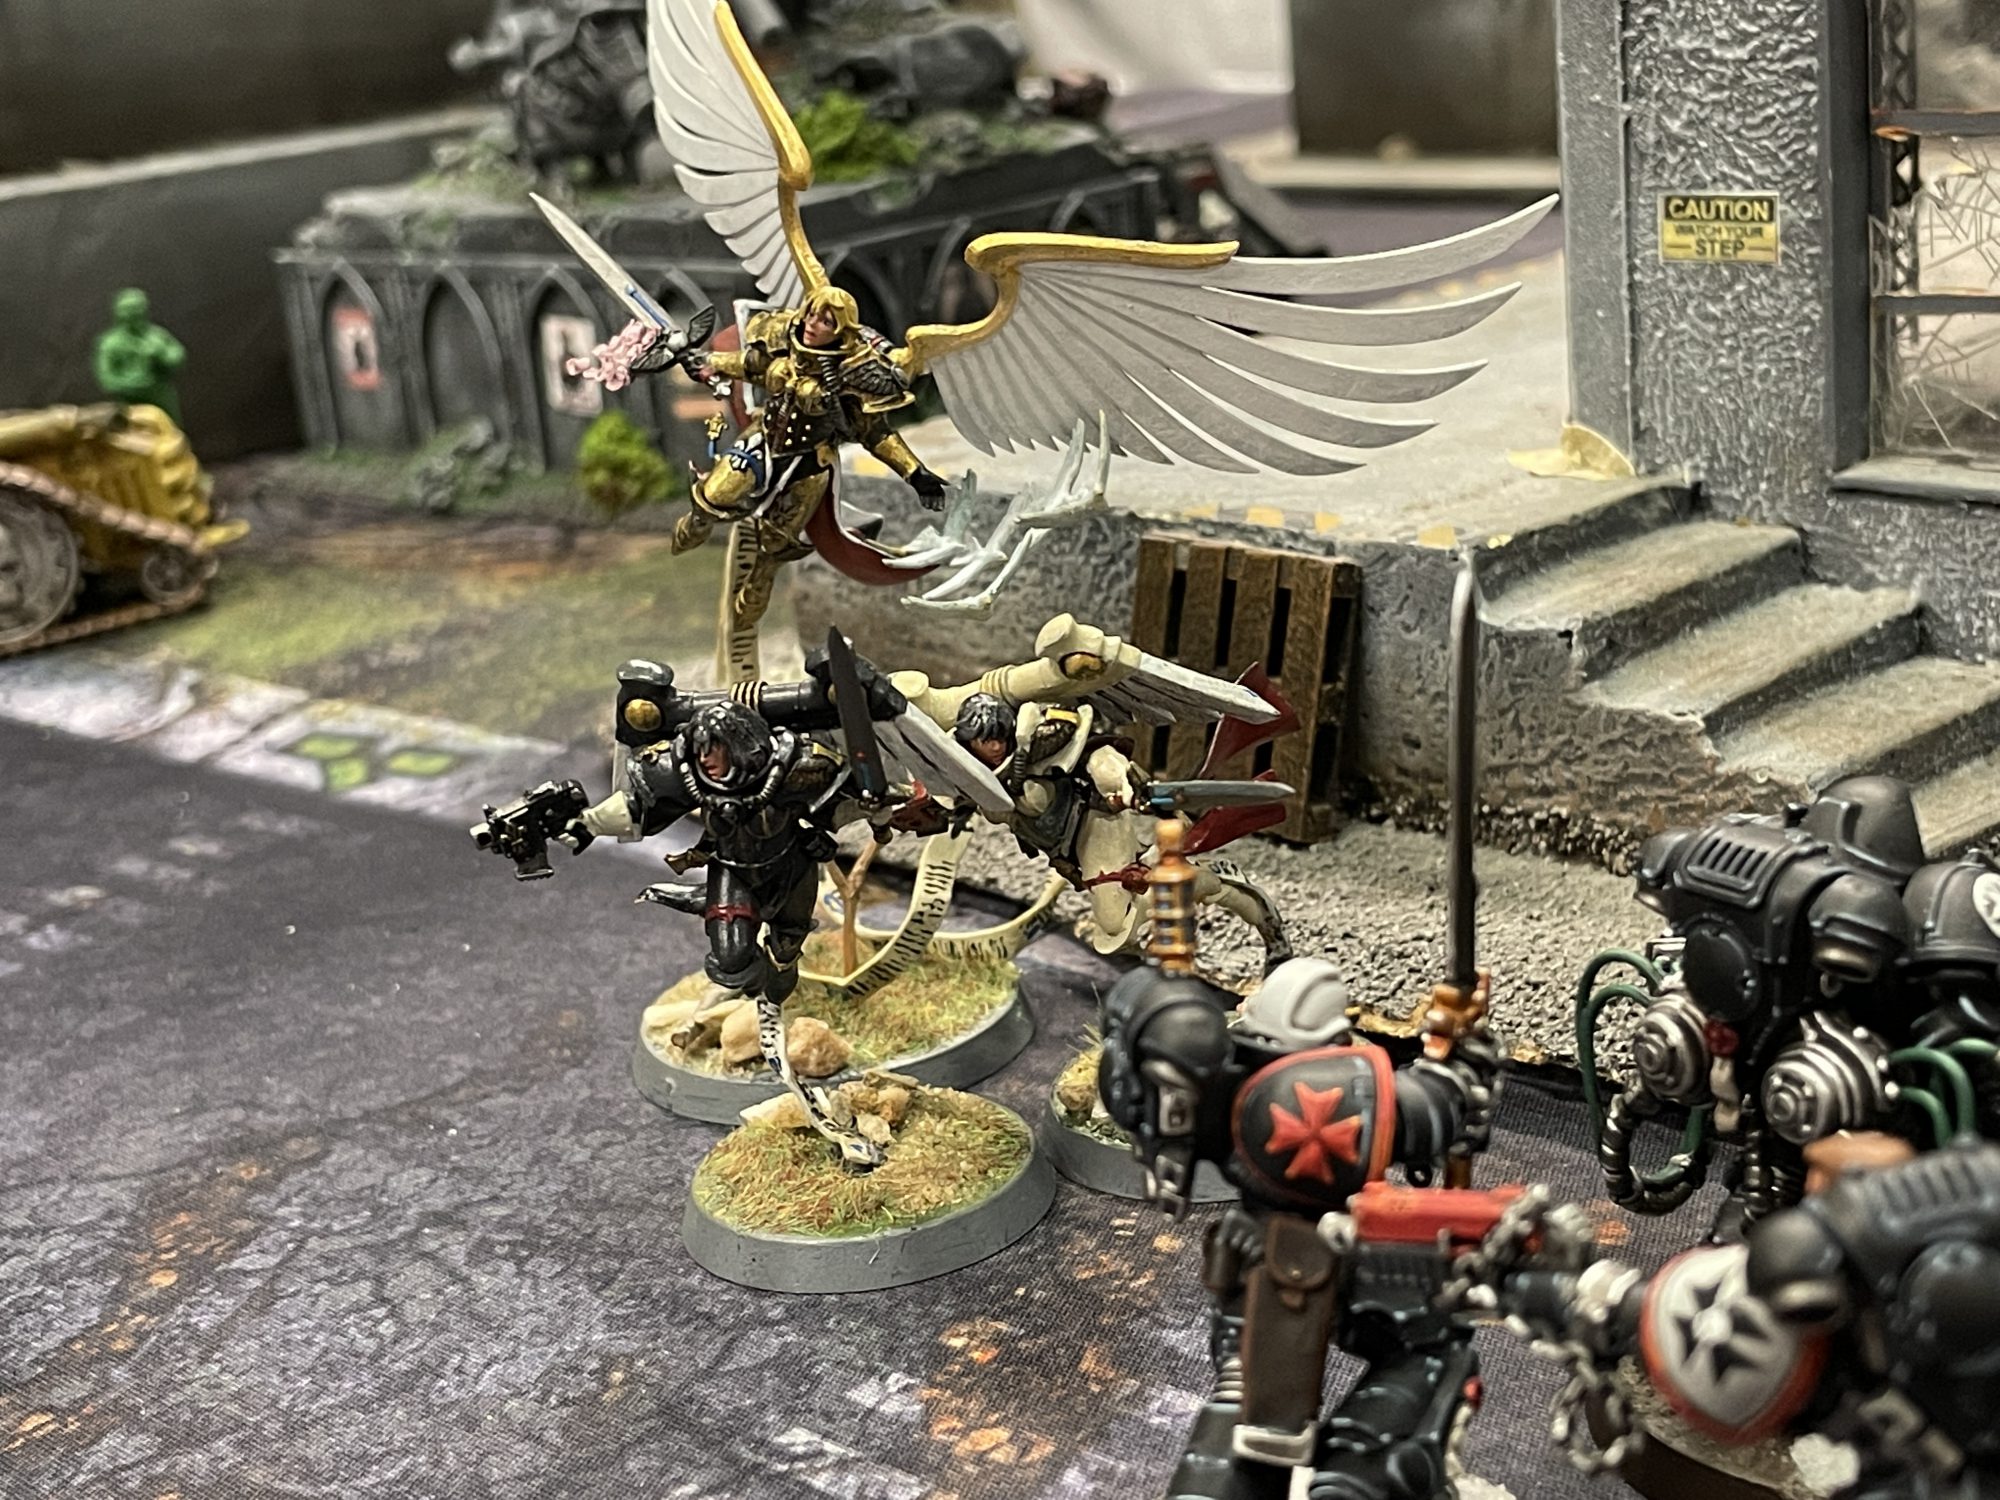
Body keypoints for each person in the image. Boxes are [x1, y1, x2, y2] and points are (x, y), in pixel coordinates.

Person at [93, 289, 186, 423]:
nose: (133, 313)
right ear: (119, 313)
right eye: (128, 310)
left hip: (160, 396)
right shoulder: (110, 343)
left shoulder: (157, 335)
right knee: (133, 431)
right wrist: (133, 383)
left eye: (137, 308)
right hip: (129, 402)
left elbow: (177, 356)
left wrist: (161, 354)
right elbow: (107, 379)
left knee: (169, 429)